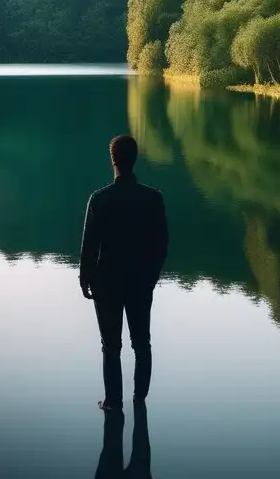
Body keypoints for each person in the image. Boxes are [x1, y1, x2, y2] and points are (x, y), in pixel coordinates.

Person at [79, 135, 169, 412]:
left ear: (113, 160)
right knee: (142, 342)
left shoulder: (99, 199)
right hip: (141, 281)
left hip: (106, 282)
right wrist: (152, 276)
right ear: (135, 159)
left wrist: (85, 278)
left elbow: (89, 245)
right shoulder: (153, 198)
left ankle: (113, 402)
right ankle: (140, 399)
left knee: (111, 345)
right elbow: (162, 243)